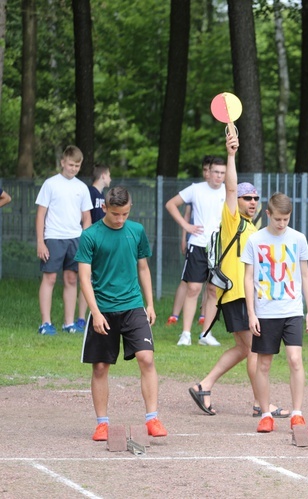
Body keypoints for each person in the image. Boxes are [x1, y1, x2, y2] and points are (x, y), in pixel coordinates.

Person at [188, 135, 289, 419]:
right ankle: (262, 404)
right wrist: (231, 154)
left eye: (256, 198)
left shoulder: (251, 229)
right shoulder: (232, 219)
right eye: (247, 197)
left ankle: (204, 386)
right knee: (254, 350)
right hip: (237, 295)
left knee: (245, 349)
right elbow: (230, 188)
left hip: (245, 296)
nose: (252, 201)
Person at [75, 186, 167, 441]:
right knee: (101, 367)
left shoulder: (136, 231)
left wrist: (150, 304)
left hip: (133, 305)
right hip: (103, 309)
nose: (120, 219)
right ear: (104, 208)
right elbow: (84, 278)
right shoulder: (90, 235)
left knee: (146, 358)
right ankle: (102, 424)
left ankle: (152, 419)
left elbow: (144, 269)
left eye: (125, 214)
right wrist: (95, 313)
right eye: (116, 214)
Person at [242, 192, 308, 433]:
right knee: (263, 365)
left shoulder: (298, 239)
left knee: (295, 359)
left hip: (292, 310)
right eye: (278, 219)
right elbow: (248, 277)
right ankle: (265, 414)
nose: (282, 224)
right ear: (268, 215)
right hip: (265, 312)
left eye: (286, 219)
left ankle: (297, 413)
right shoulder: (255, 240)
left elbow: (305, 275)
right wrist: (251, 313)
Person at [165, 157, 226, 346]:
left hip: (218, 247)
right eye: (216, 172)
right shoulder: (196, 189)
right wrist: (186, 225)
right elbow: (171, 204)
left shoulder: (229, 191)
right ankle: (185, 334)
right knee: (193, 288)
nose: (219, 176)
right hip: (198, 245)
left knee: (213, 290)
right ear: (209, 172)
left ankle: (205, 334)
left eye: (223, 173)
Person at [35, 145, 93, 335]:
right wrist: (40, 241)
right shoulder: (50, 184)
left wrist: (85, 241)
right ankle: (45, 323)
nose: (73, 168)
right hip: (53, 237)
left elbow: (87, 218)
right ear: (62, 162)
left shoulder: (82, 187)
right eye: (70, 164)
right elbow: (40, 215)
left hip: (75, 239)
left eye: (77, 165)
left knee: (71, 279)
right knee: (50, 278)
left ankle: (69, 323)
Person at [167, 157, 214, 327]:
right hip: (196, 243)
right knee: (188, 283)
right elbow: (185, 215)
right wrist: (184, 236)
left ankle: (204, 318)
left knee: (211, 286)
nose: (208, 173)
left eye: (212, 170)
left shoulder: (224, 192)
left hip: (214, 247)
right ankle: (175, 316)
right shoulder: (195, 191)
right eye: (206, 170)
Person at [76, 164, 112, 331]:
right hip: (92, 242)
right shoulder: (90, 192)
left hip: (103, 243)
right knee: (87, 279)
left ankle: (95, 314)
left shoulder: (102, 195)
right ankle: (81, 319)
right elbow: (86, 217)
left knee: (96, 280)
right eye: (109, 175)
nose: (110, 179)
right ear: (103, 175)